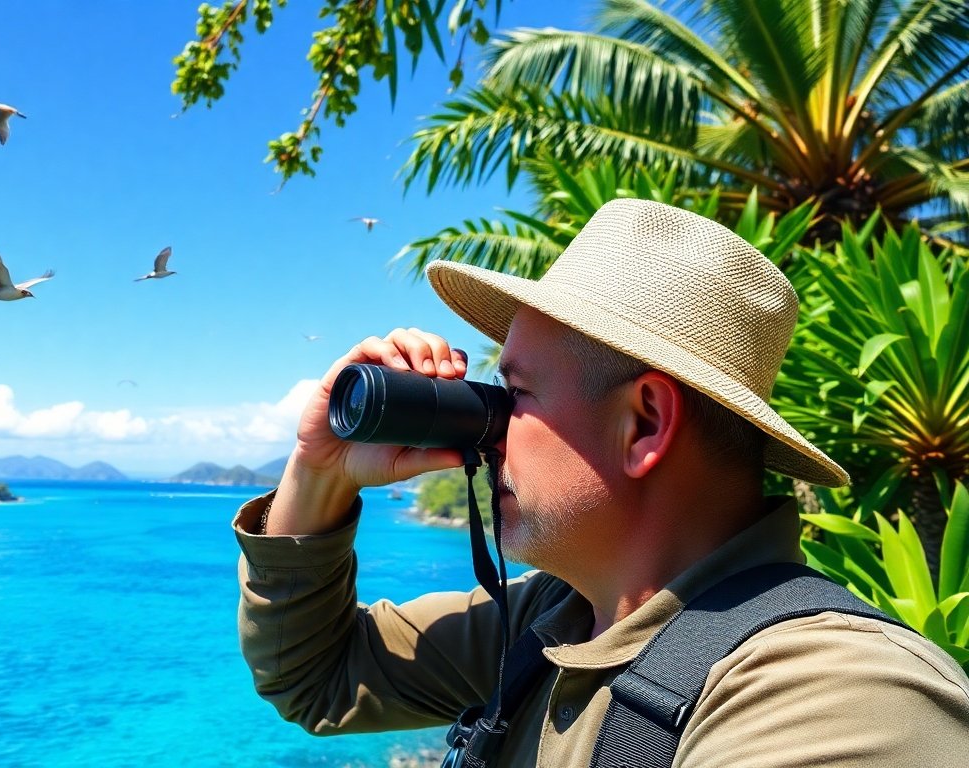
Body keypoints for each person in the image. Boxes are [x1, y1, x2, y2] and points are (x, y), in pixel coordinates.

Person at [232, 199, 969, 766]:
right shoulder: (556, 622)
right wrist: (319, 471)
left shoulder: (838, 699)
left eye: (514, 396)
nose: (489, 428)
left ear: (644, 423)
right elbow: (319, 675)